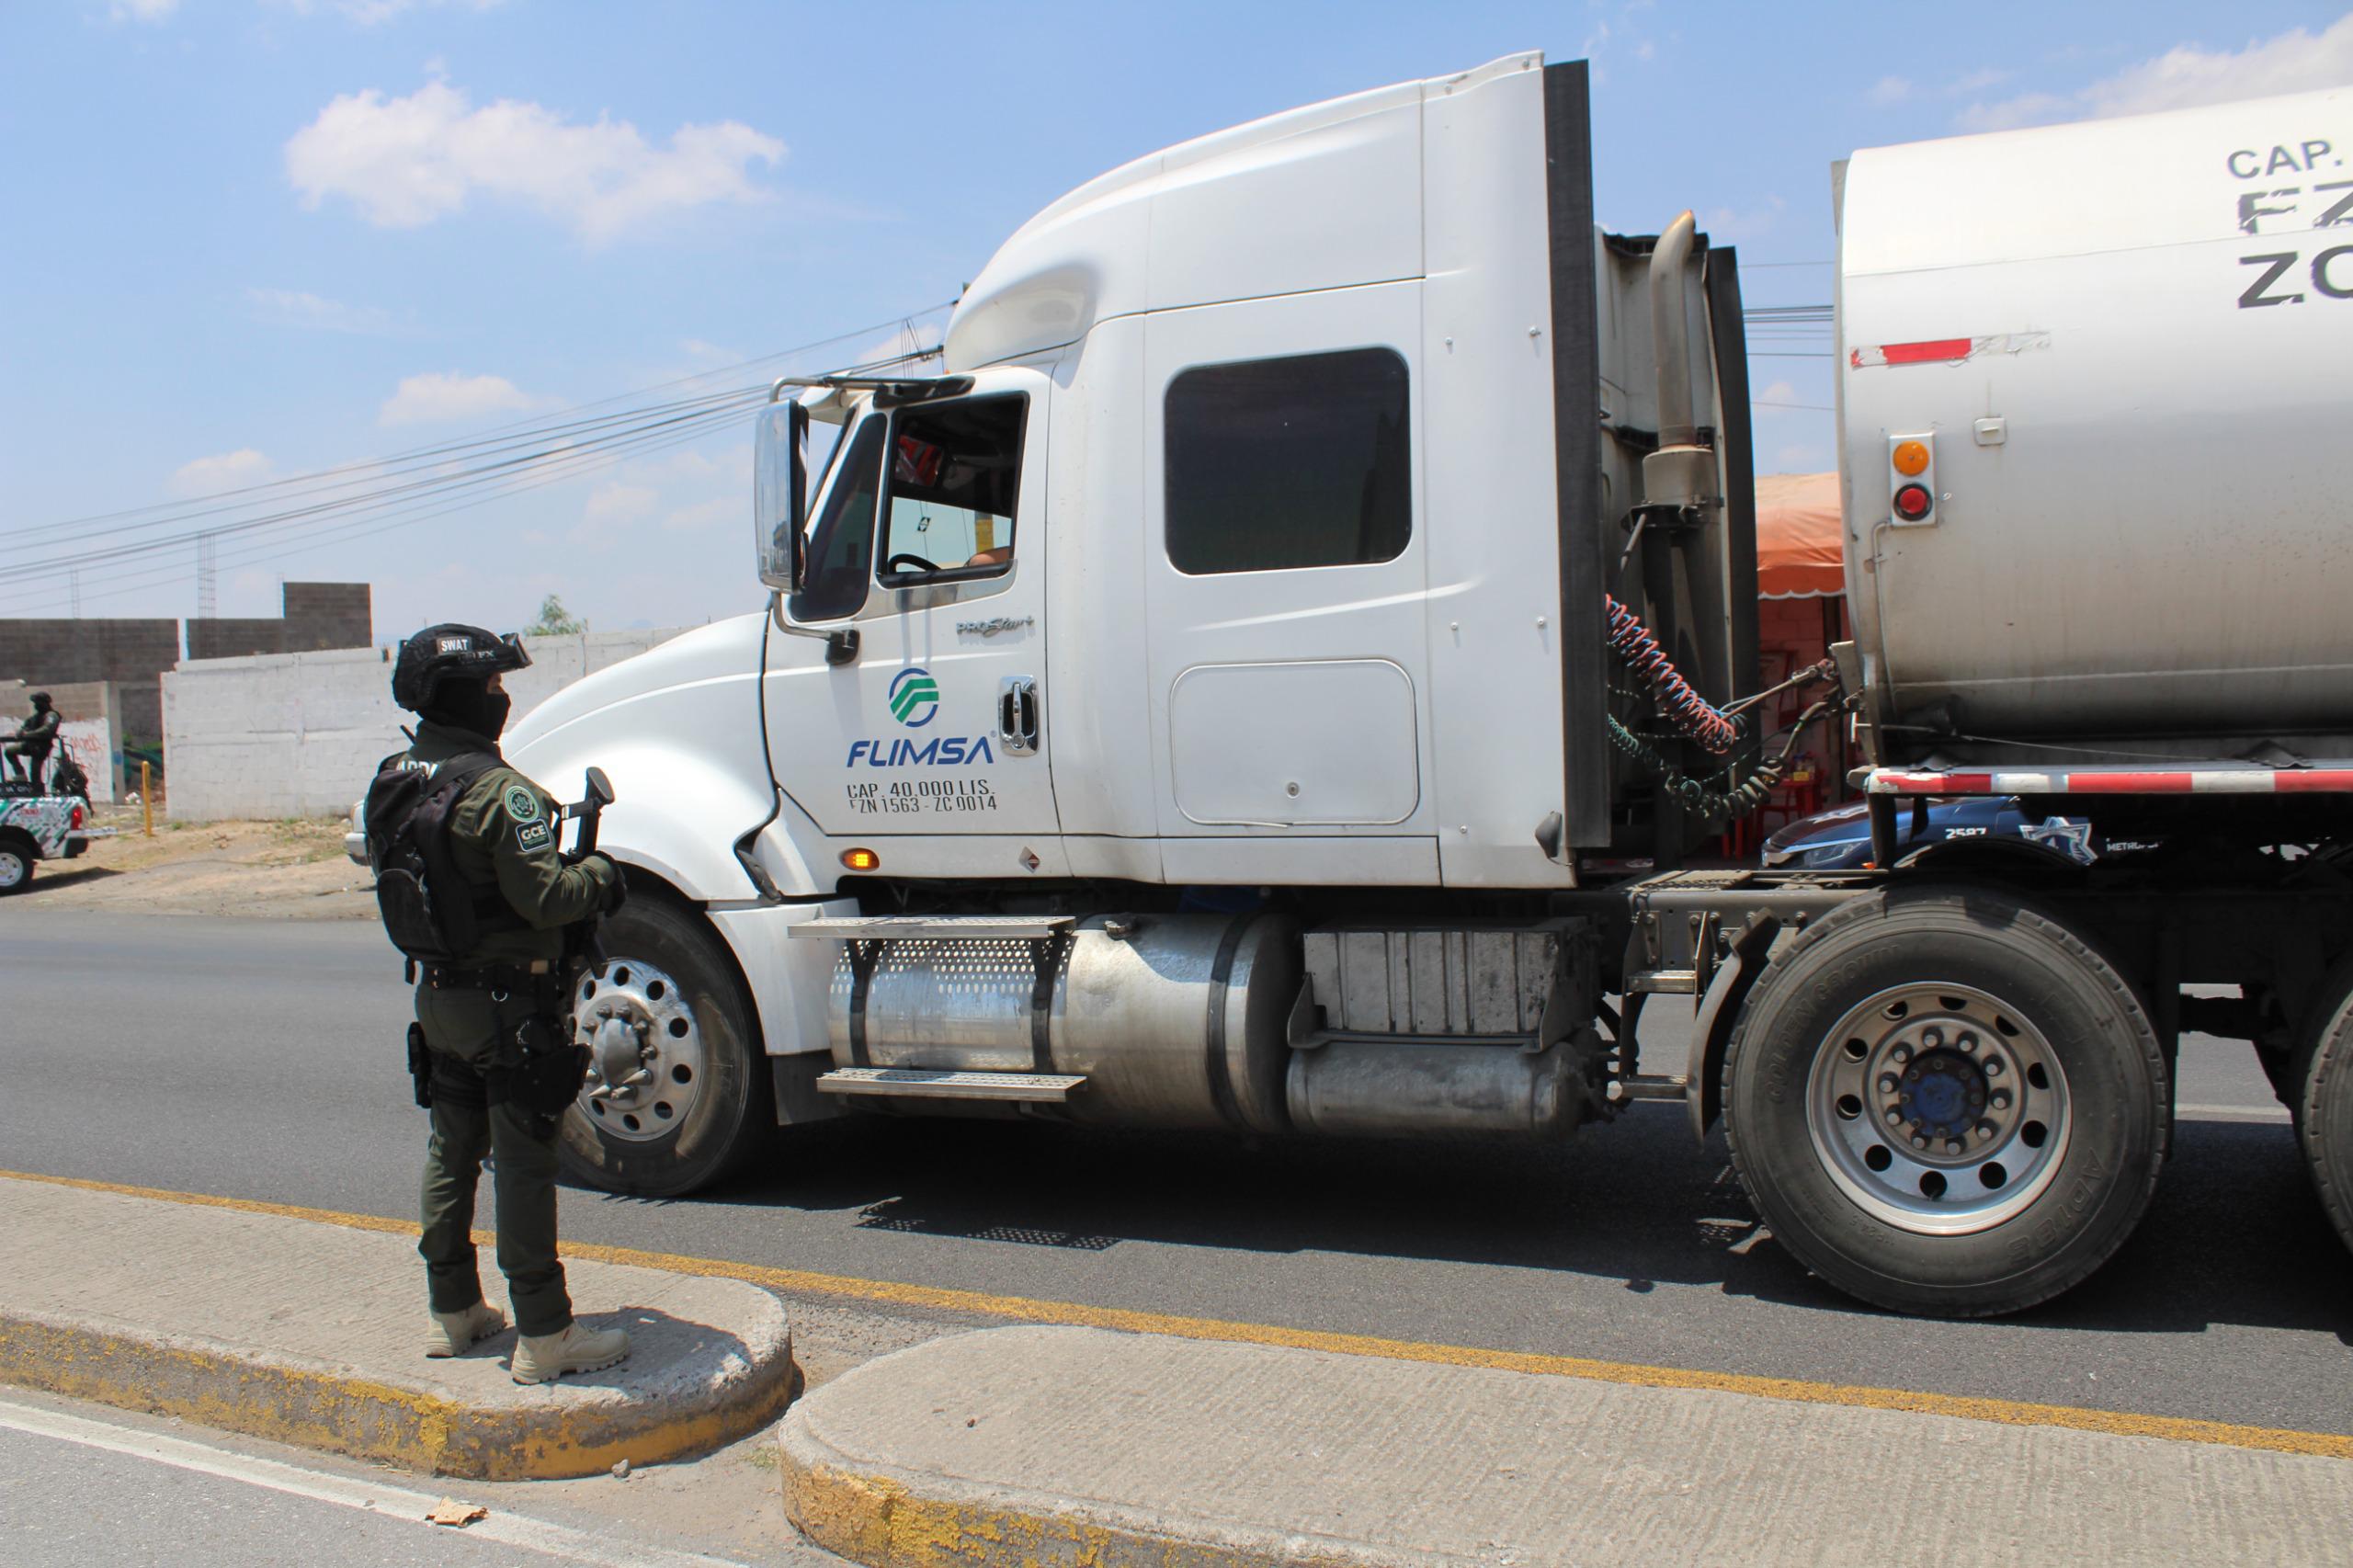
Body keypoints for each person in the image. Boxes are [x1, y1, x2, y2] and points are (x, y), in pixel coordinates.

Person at [377, 624, 629, 1384]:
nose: (501, 697)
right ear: (464, 694)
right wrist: (602, 873)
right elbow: (545, 894)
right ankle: (545, 1335)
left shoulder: (394, 774)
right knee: (522, 1163)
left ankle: (453, 1312)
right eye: (492, 686)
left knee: (451, 1150)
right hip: (510, 1007)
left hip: (438, 997)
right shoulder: (501, 790)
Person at [3, 691, 59, 787]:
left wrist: (28, 734)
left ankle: (37, 790)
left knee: (35, 771)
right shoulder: (36, 717)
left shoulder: (51, 715)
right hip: (29, 745)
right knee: (9, 751)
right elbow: (25, 726)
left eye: (38, 702)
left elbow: (47, 729)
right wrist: (21, 732)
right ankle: (20, 774)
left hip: (41, 747)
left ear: (45, 703)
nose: (36, 705)